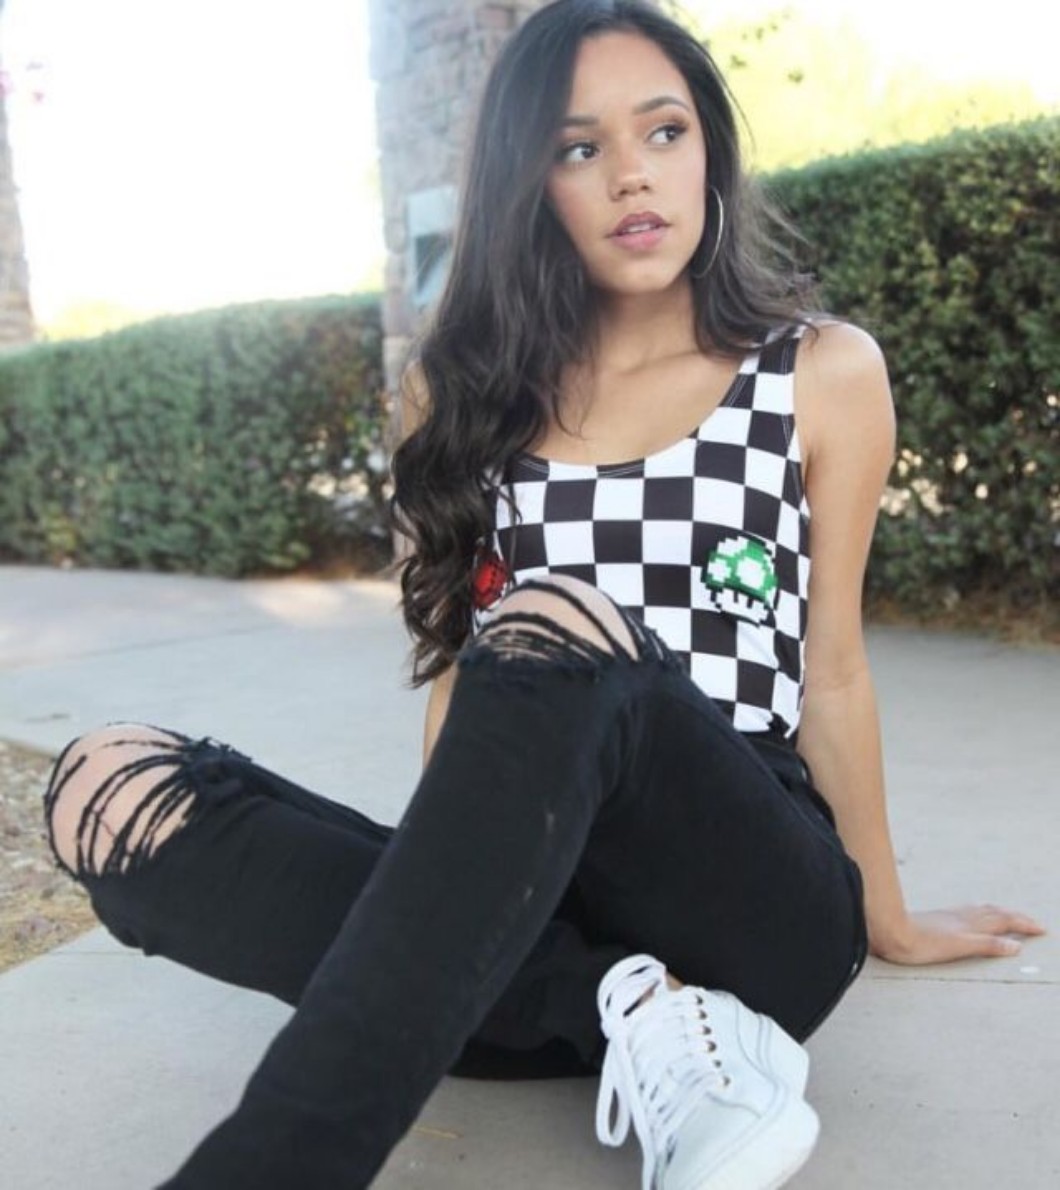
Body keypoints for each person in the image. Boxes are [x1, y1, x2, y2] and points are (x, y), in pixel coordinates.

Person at [42, 2, 1044, 1188]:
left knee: (550, 625)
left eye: (663, 131)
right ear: (531, 183)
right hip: (536, 904)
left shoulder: (815, 371)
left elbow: (829, 670)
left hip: (753, 890)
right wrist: (456, 890)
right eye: (578, 147)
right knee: (108, 786)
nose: (631, 174)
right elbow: (454, 684)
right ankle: (630, 1004)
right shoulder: (465, 398)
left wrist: (886, 910)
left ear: (709, 150)